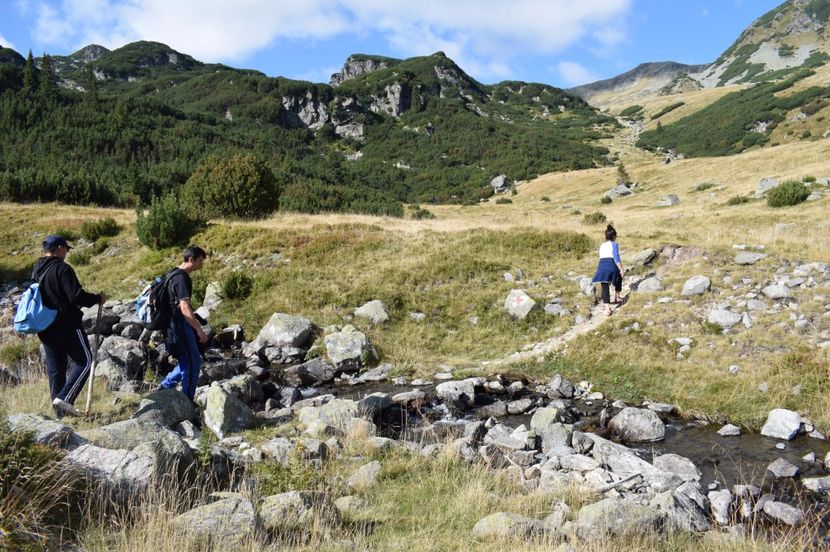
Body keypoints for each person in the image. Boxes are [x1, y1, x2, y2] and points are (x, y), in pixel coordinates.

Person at [31, 235, 106, 417]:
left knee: (56, 369)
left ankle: (60, 414)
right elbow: (76, 296)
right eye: (66, 249)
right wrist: (97, 298)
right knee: (86, 361)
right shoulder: (62, 269)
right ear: (59, 248)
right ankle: (65, 398)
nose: (66, 253)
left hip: (44, 327)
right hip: (66, 324)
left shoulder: (37, 271)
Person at [158, 245, 208, 401]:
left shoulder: (171, 273)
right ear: (191, 259)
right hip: (179, 326)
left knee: (187, 361)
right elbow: (185, 308)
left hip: (171, 327)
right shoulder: (181, 278)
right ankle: (187, 401)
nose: (201, 265)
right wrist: (199, 330)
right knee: (193, 363)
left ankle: (165, 386)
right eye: (200, 261)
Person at [591, 224, 625, 315]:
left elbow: (601, 257)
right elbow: (616, 257)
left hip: (601, 266)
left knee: (604, 285)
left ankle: (607, 309)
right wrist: (621, 269)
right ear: (614, 236)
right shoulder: (614, 244)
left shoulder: (602, 245)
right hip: (610, 264)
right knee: (619, 276)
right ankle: (617, 297)